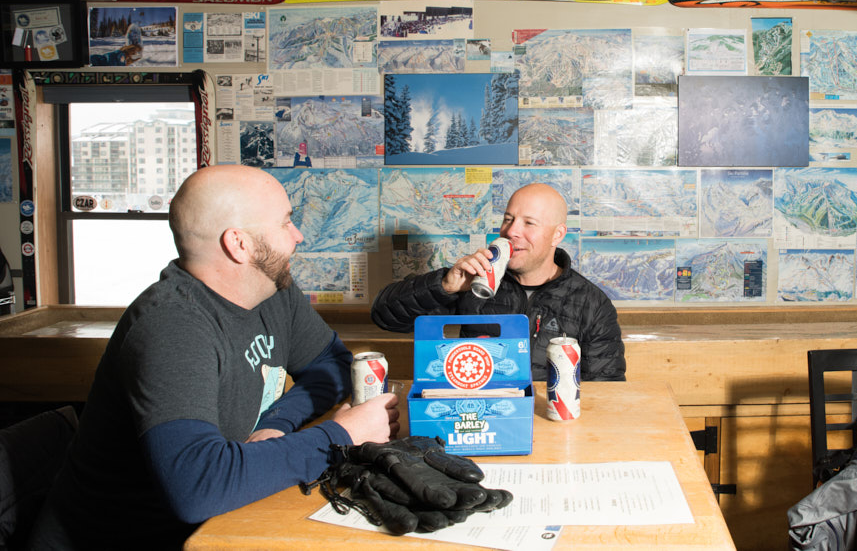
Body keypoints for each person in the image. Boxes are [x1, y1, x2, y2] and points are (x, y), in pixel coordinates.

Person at [30, 165, 399, 550]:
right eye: (286, 223)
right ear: (239, 244)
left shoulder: (273, 291)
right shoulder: (172, 327)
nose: (298, 236)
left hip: (217, 522)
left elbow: (332, 363)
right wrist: (341, 435)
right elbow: (197, 486)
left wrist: (278, 423)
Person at [372, 183, 626, 381]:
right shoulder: (474, 280)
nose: (512, 231)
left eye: (529, 223)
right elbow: (385, 317)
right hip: (479, 416)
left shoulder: (592, 303)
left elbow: (606, 388)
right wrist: (444, 287)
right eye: (508, 219)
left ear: (557, 235)